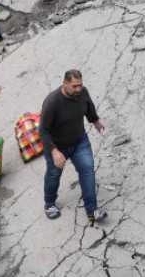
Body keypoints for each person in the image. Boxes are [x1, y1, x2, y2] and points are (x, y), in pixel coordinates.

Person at [38, 69, 107, 223]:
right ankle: (49, 204)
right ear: (65, 83)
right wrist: (54, 152)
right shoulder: (52, 102)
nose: (78, 90)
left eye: (80, 85)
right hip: (57, 146)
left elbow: (89, 107)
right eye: (74, 86)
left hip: (79, 141)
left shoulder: (83, 93)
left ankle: (92, 210)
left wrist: (95, 121)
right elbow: (42, 130)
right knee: (53, 174)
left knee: (87, 169)